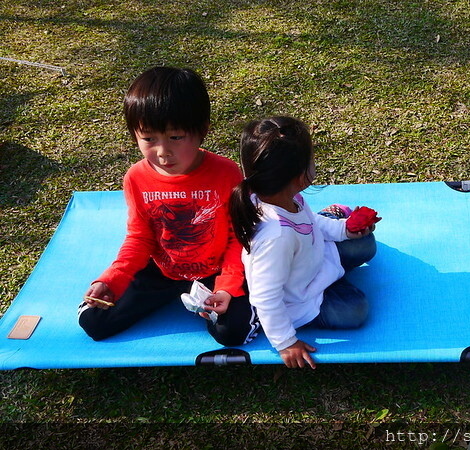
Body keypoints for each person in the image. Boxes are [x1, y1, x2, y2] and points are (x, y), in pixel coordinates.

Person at [78, 67, 259, 346]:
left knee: (232, 332)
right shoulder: (136, 177)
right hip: (162, 271)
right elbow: (139, 238)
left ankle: (251, 306)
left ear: (201, 132)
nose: (163, 152)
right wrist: (112, 280)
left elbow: (239, 238)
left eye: (175, 137)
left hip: (214, 272)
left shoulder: (226, 173)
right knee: (94, 322)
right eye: (149, 139)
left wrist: (227, 286)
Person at [230, 116, 377, 369]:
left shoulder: (288, 196)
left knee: (365, 244)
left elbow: (312, 224)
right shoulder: (275, 237)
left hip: (312, 260)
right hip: (301, 299)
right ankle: (333, 276)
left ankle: (335, 218)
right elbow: (265, 298)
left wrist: (344, 231)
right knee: (355, 311)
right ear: (300, 175)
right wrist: (285, 341)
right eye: (312, 159)